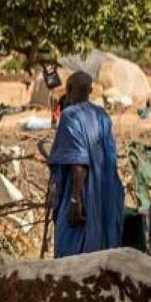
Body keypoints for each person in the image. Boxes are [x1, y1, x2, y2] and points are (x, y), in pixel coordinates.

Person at [46, 71, 124, 257]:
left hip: (81, 194)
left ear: (69, 89)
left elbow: (78, 162)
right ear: (90, 90)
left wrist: (76, 200)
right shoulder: (102, 115)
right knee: (103, 250)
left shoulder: (70, 116)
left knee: (71, 250)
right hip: (106, 192)